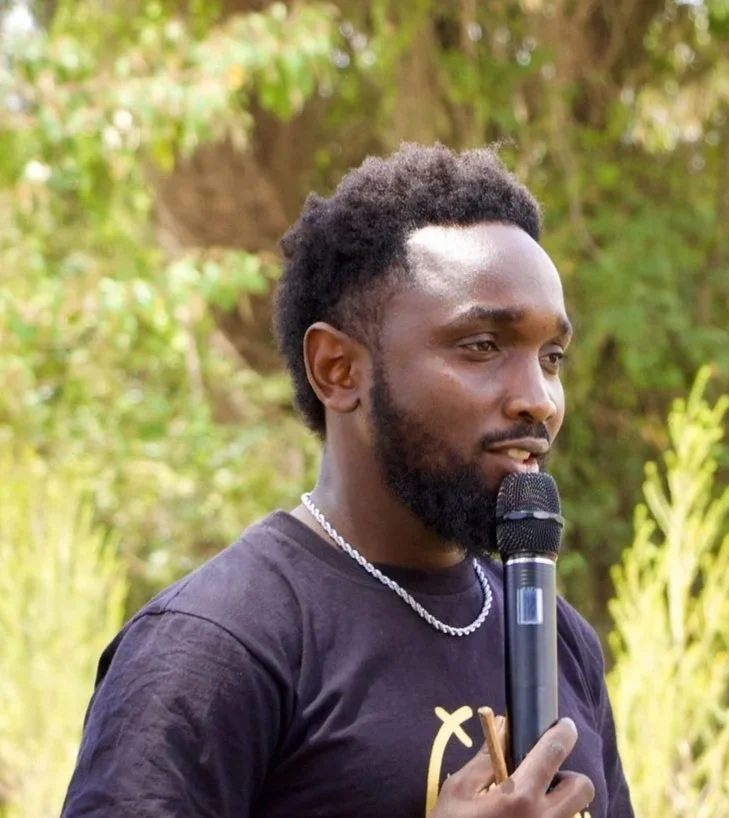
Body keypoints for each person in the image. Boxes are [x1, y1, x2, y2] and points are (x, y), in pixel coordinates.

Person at [62, 144, 634, 818]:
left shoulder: (560, 640)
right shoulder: (215, 643)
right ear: (338, 369)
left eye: (552, 357)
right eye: (482, 347)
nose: (537, 398)